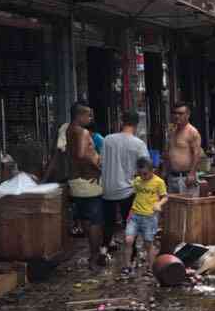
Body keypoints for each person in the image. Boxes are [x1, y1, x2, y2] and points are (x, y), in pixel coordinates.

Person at [100, 110, 148, 254]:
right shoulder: (138, 143)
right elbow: (145, 168)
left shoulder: (107, 139)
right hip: (128, 190)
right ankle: (131, 252)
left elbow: (101, 162)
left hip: (108, 189)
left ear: (121, 121)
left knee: (108, 224)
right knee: (130, 223)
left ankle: (103, 251)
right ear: (136, 124)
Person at [64, 103, 105, 268]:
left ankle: (92, 253)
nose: (90, 119)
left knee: (86, 217)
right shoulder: (82, 131)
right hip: (88, 179)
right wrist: (96, 164)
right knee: (95, 219)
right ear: (79, 116)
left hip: (76, 180)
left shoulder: (69, 130)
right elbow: (81, 154)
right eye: (88, 115)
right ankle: (95, 255)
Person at [123, 157, 168, 274]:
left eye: (145, 174)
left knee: (148, 244)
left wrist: (159, 204)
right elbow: (133, 191)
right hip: (134, 215)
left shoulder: (159, 182)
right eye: (140, 174)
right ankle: (127, 266)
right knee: (128, 240)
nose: (143, 177)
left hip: (149, 217)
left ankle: (151, 267)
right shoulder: (137, 181)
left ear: (152, 170)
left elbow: (165, 197)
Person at [162, 101, 203, 196]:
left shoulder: (192, 132)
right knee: (173, 208)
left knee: (188, 209)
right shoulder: (172, 131)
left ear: (188, 115)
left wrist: (192, 173)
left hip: (186, 177)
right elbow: (168, 152)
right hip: (172, 177)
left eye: (180, 113)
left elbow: (197, 154)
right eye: (174, 113)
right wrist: (164, 172)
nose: (177, 116)